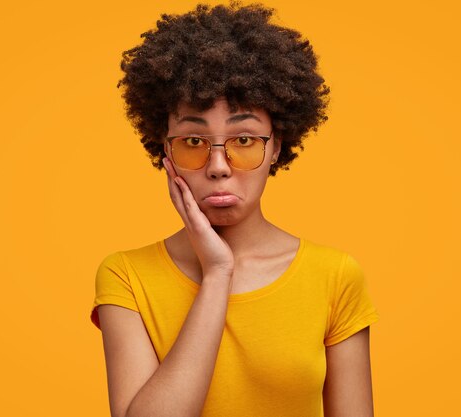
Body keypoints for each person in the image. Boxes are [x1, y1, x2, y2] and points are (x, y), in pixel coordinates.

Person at [90, 3, 380, 416]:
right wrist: (217, 273)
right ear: (164, 149)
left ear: (276, 145)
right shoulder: (126, 276)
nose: (219, 166)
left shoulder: (334, 276)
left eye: (244, 141)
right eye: (193, 141)